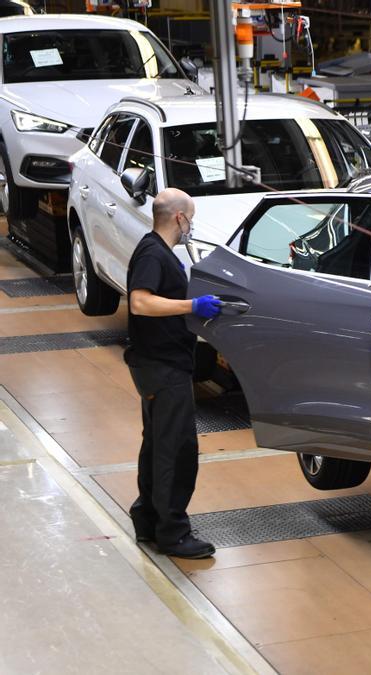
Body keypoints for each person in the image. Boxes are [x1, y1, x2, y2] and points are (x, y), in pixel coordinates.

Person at [124, 188, 222, 559]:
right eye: (190, 218)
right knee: (176, 451)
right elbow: (140, 301)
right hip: (162, 367)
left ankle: (148, 519)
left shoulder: (156, 251)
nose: (190, 225)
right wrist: (191, 305)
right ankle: (173, 534)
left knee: (157, 446)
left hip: (157, 365)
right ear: (179, 218)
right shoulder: (153, 253)